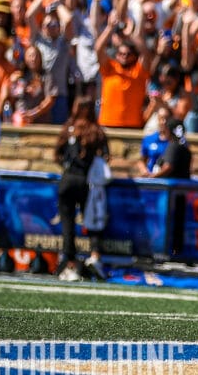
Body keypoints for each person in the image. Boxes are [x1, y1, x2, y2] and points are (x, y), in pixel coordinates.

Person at [54, 97, 109, 282]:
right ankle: (95, 257)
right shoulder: (96, 131)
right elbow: (107, 157)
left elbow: (57, 155)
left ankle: (70, 263)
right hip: (87, 182)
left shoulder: (69, 128)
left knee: (68, 222)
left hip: (68, 179)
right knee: (92, 220)